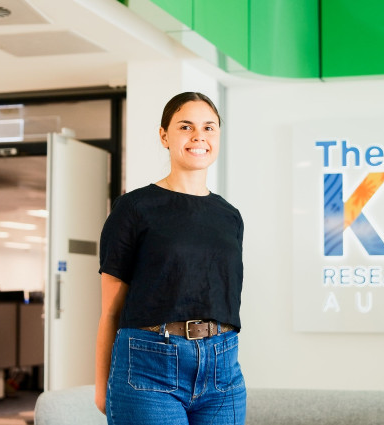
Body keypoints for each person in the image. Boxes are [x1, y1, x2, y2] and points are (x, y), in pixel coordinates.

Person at [94, 92, 246, 425]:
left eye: (209, 128)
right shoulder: (133, 208)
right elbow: (110, 309)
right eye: (185, 127)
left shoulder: (230, 216)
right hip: (150, 364)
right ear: (164, 135)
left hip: (223, 367)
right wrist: (100, 383)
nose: (199, 137)